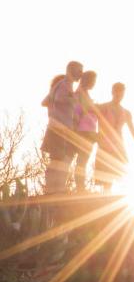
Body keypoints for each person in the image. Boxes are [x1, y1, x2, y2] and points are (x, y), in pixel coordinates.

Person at [41, 61, 84, 194]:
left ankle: (53, 188)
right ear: (71, 69)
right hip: (60, 127)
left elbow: (45, 101)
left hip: (57, 125)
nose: (81, 74)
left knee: (58, 158)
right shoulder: (66, 84)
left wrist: (52, 112)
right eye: (79, 71)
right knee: (59, 158)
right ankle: (54, 189)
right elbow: (59, 99)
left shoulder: (59, 84)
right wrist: (74, 99)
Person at [96, 82, 134, 191]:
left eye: (121, 94)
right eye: (117, 93)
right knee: (104, 176)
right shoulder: (103, 107)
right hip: (104, 145)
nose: (119, 96)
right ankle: (105, 197)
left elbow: (133, 131)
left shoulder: (126, 112)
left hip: (118, 147)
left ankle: (112, 198)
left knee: (118, 174)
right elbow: (93, 121)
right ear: (112, 92)